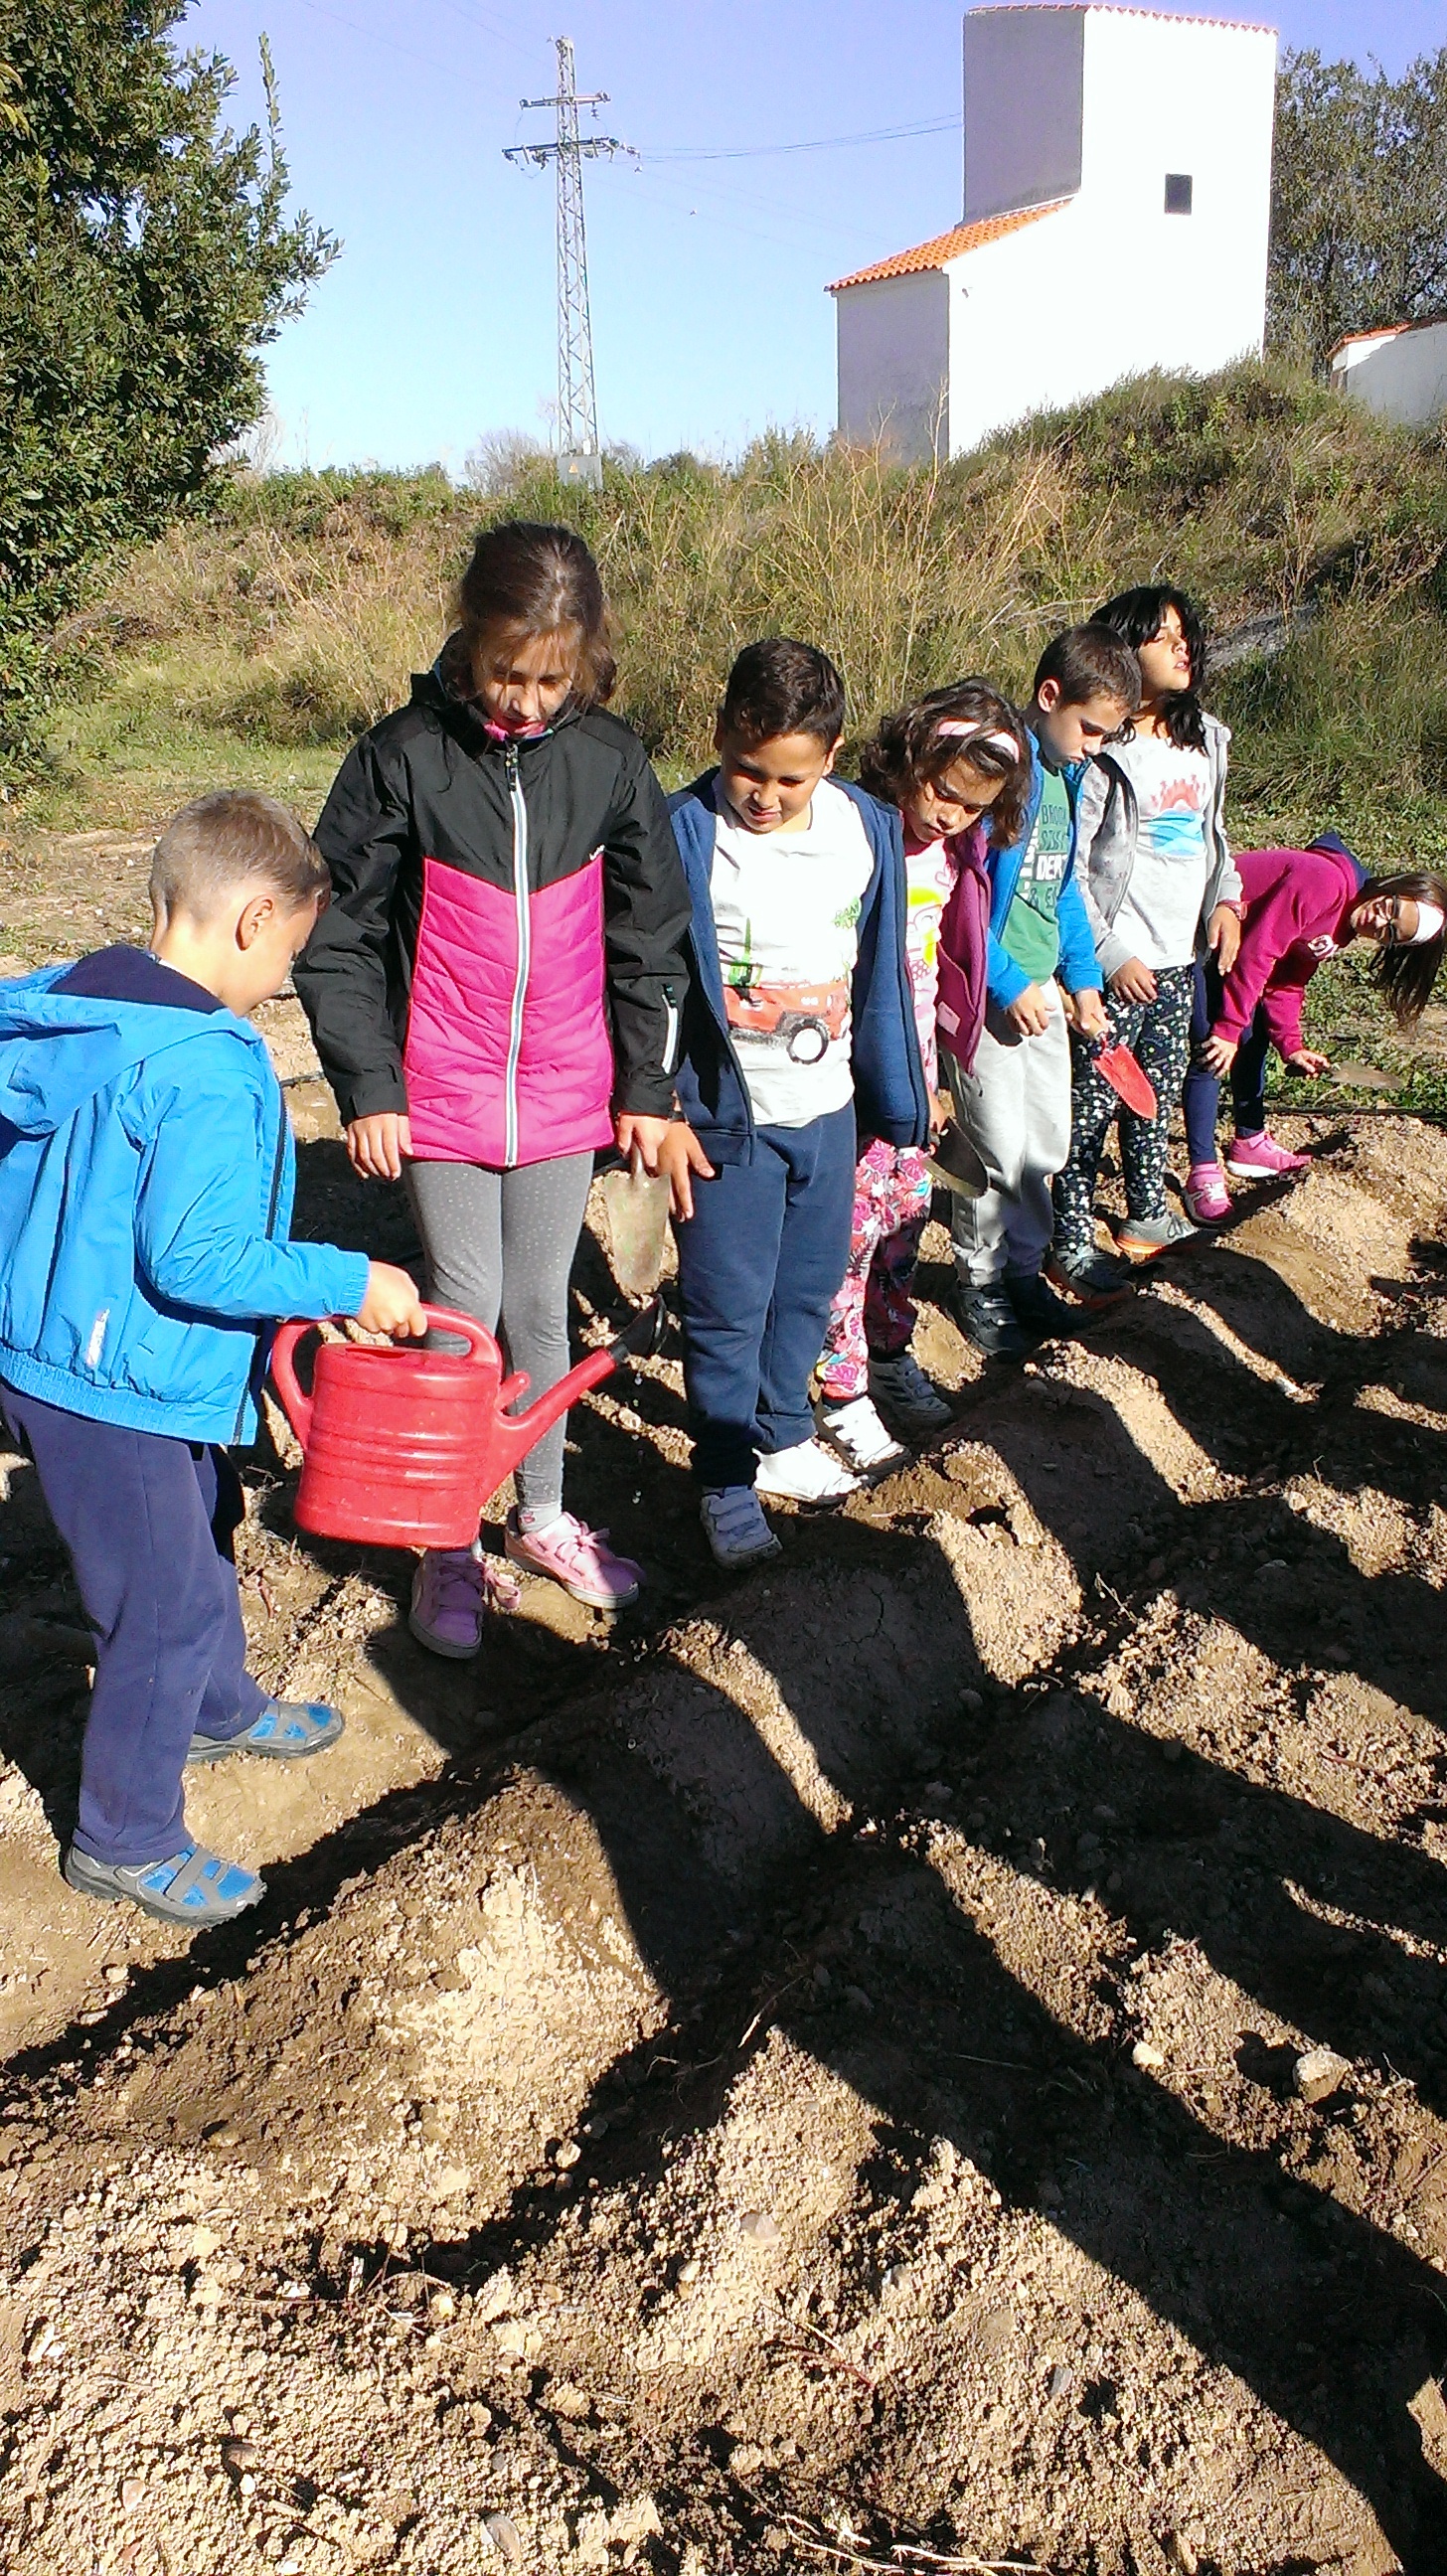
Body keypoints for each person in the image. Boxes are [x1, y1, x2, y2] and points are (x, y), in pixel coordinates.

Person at [0, 792, 424, 1926]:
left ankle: (217, 1707)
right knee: (163, 1605)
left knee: (203, 1527)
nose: (279, 985)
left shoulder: (81, 1004)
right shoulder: (206, 1064)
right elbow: (198, 1256)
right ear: (254, 922)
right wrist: (350, 1281)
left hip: (58, 1346)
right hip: (120, 1381)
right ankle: (124, 1836)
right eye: (287, 961)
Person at [294, 520, 696, 1653]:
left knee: (538, 1307)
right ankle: (446, 1543)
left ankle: (542, 1516)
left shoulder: (611, 761)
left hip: (568, 1084)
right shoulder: (403, 755)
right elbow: (339, 932)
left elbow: (651, 938)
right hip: (441, 1082)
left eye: (549, 681)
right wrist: (370, 1086)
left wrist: (647, 1086)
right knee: (464, 1305)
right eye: (505, 674)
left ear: (585, 660)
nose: (523, 701)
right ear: (469, 640)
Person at [665, 638, 929, 1569]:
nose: (765, 797)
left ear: (832, 754)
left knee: (809, 1287)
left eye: (790, 778)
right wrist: (658, 1106)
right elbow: (647, 983)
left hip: (828, 1109)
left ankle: (781, 1435)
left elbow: (883, 972)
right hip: (724, 1121)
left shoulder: (864, 828)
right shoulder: (683, 835)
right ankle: (724, 1478)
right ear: (719, 736)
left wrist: (899, 1099)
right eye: (748, 770)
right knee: (727, 1303)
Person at [815, 681, 1034, 1476]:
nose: (950, 814)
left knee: (904, 1217)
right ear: (910, 758)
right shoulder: (854, 833)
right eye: (942, 792)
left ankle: (888, 1352)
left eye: (972, 807)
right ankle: (837, 1386)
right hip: (845, 1066)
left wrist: (939, 1071)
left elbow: (945, 968)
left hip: (914, 1069)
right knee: (848, 1234)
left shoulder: (956, 855)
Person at [944, 624, 1138, 1363]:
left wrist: (1083, 983)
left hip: (1045, 997)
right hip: (994, 1001)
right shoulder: (1004, 775)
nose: (1094, 746)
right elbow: (963, 902)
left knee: (1043, 1145)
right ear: (1049, 695)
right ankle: (982, 1281)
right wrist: (1005, 981)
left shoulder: (1068, 779)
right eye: (1089, 728)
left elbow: (1062, 895)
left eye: (1106, 735)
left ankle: (1025, 1273)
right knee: (995, 1147)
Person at [1052, 583, 1242, 1293]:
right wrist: (1108, 954)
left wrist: (1225, 901)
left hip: (1178, 958)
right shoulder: (1103, 748)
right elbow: (1071, 865)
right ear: (1123, 650)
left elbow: (1213, 836)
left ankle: (1146, 1213)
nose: (1181, 646)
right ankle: (1069, 1236)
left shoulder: (1206, 739)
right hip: (1116, 965)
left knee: (1154, 1096)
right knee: (1092, 1103)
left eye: (1185, 633)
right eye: (1162, 636)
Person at [1181, 833, 1447, 1215]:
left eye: (1390, 933)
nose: (1378, 921)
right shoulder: (1326, 883)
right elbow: (1259, 952)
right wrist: (1228, 1028)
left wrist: (1291, 1044)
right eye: (1390, 907)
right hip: (1199, 925)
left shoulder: (1343, 927)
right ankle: (1202, 1171)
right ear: (1393, 886)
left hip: (1231, 947)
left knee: (1253, 1035)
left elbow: (1288, 978)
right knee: (1212, 1047)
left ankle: (1249, 1142)